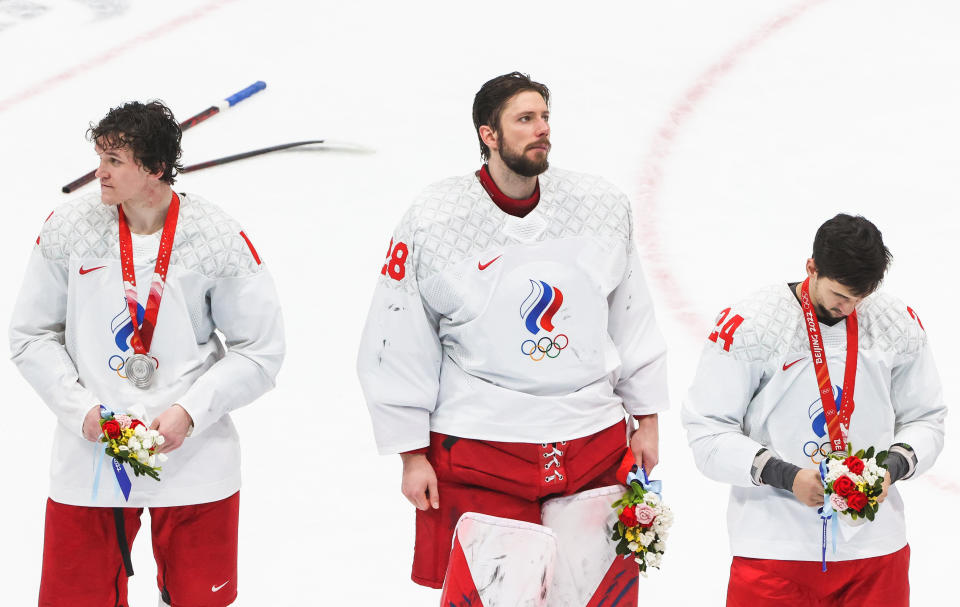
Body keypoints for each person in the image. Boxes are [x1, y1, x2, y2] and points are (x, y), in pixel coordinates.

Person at [356, 72, 669, 604]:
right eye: (525, 119)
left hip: (590, 437)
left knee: (593, 594)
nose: (541, 129)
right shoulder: (435, 219)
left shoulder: (599, 206)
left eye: (545, 117)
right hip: (483, 445)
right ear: (489, 135)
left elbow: (631, 315)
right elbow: (397, 334)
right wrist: (410, 453)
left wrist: (648, 420)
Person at [10, 100, 285, 607]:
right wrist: (85, 413)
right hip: (91, 461)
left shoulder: (216, 236)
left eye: (115, 160)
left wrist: (189, 413)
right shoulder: (69, 228)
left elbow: (259, 350)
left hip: (194, 465)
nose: (100, 173)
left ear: (154, 169)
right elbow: (30, 335)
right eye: (100, 157)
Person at [682, 214, 946, 606]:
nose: (850, 307)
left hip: (874, 548)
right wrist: (785, 475)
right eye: (842, 295)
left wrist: (890, 468)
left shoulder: (896, 322)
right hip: (775, 549)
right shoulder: (752, 324)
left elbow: (926, 417)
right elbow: (708, 431)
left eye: (861, 297)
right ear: (812, 267)